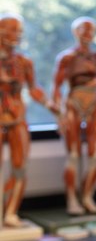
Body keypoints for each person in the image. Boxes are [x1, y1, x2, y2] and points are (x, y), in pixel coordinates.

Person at [50, 17, 96, 215]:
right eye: (84, 30)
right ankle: (72, 199)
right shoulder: (67, 58)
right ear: (76, 32)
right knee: (73, 155)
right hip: (74, 105)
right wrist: (59, 114)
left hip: (94, 105)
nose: (88, 34)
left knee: (95, 155)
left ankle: (87, 197)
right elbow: (56, 87)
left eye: (92, 30)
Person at [1, 13, 49, 227]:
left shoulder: (23, 61)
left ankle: (11, 212)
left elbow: (34, 89)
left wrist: (53, 108)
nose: (17, 35)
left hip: (18, 117)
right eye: (12, 30)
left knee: (20, 166)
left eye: (19, 31)